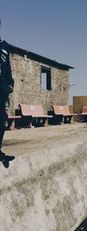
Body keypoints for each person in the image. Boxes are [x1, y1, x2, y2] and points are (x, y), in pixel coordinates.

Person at [0, 21, 16, 168]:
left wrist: (10, 84)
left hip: (2, 88)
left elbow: (8, 67)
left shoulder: (4, 46)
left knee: (3, 120)